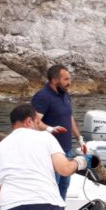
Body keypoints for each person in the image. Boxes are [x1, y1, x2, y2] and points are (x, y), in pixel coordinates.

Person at [32, 64, 87, 200]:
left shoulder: (65, 94)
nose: (69, 83)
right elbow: (34, 122)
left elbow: (69, 117)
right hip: (50, 153)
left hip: (67, 150)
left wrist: (79, 138)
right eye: (66, 79)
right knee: (52, 186)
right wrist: (50, 129)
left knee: (64, 184)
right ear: (55, 80)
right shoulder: (43, 97)